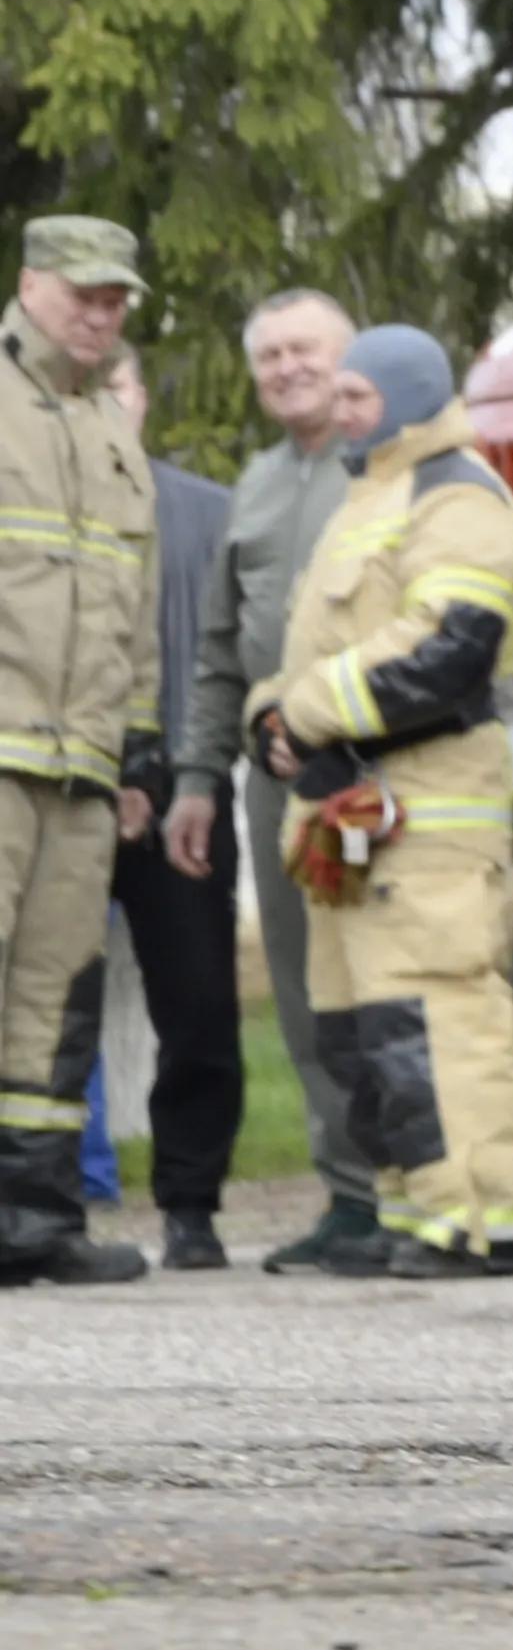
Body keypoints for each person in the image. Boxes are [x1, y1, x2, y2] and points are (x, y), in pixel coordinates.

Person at [245, 324, 513, 1277]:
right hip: (349, 815)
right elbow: (304, 658)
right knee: (360, 1030)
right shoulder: (368, 496)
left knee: (439, 1016)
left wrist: (305, 713)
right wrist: (271, 724)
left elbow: (446, 650)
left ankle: (483, 1218)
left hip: (432, 811)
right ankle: (416, 1211)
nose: (340, 409)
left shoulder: (461, 497)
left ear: (413, 398)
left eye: (361, 397)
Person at [167, 288, 380, 1269]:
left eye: (306, 350)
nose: (287, 368)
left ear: (350, 360)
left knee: (395, 981)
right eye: (269, 357)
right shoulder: (252, 486)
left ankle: (428, 1192)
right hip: (275, 781)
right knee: (304, 991)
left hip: (382, 771)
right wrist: (198, 779)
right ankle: (349, 1199)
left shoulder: (392, 467)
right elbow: (218, 650)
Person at [0, 217, 165, 1286]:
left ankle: (37, 1224)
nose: (100, 316)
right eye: (83, 295)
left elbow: (135, 615)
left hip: (81, 774)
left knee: (54, 1000)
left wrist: (138, 750)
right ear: (30, 284)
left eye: (116, 301)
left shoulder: (116, 432)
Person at [102, 350, 241, 1270]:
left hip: (185, 792)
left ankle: (191, 1205)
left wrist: (177, 775)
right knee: (42, 1008)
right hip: (57, 790)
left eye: (120, 387)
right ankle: (33, 1205)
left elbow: (223, 652)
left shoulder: (210, 513)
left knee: (197, 1004)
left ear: (144, 398)